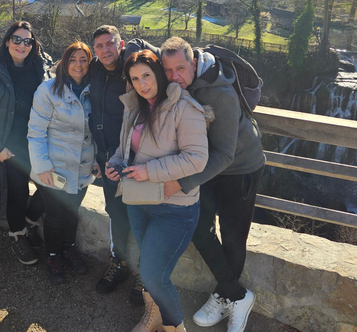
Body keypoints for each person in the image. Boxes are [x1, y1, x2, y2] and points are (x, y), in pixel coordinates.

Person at [160, 37, 266, 332]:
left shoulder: (219, 92)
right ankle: (237, 295)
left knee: (233, 237)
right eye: (168, 71)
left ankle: (225, 296)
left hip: (240, 167)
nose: (174, 77)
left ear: (193, 62)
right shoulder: (179, 85)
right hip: (207, 166)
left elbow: (225, 154)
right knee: (197, 226)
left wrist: (183, 182)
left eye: (180, 68)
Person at [106, 50, 209, 332]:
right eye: (135, 78)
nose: (142, 84)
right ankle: (153, 316)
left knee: (154, 276)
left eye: (147, 76)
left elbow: (197, 159)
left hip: (174, 207)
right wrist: (115, 163)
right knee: (146, 270)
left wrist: (149, 171)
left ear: (160, 75)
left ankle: (175, 327)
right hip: (138, 200)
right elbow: (124, 148)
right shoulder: (135, 106)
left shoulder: (184, 108)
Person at [0, 21, 50, 265]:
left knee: (51, 188)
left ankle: (30, 220)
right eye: (17, 39)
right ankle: (18, 235)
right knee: (18, 192)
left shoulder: (41, 69)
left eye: (28, 41)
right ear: (6, 42)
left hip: (39, 143)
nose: (22, 45)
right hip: (11, 147)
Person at [88, 25, 159, 303]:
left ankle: (145, 273)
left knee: (144, 215)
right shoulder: (93, 69)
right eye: (99, 46)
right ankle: (119, 263)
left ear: (122, 44)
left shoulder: (133, 69)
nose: (105, 50)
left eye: (111, 44)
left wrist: (133, 49)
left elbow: (156, 55)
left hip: (138, 157)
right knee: (116, 212)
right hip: (108, 157)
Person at [28, 41, 100, 284]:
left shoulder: (95, 90)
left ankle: (68, 249)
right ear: (64, 62)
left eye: (83, 60)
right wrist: (42, 167)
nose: (78, 65)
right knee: (56, 216)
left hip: (82, 166)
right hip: (54, 169)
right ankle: (52, 256)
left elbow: (100, 131)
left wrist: (98, 160)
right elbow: (36, 132)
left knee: (72, 213)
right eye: (73, 59)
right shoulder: (47, 90)